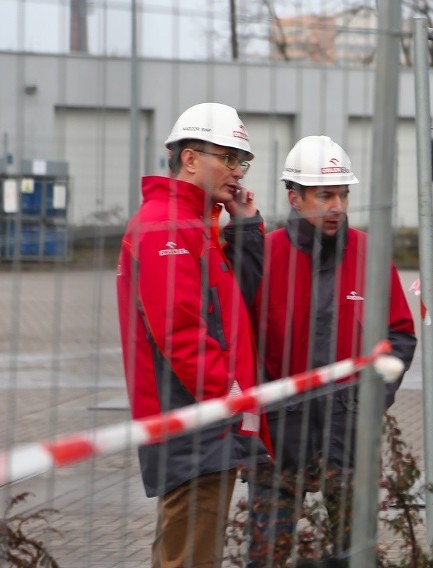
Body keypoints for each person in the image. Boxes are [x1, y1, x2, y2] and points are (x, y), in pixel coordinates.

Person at [248, 135, 417, 563]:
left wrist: (368, 400)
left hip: (349, 439)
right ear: (295, 197)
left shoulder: (371, 257)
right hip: (278, 441)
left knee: (355, 556)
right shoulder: (264, 257)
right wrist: (265, 408)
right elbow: (242, 344)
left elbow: (399, 336)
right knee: (267, 556)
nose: (338, 206)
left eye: (343, 194)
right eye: (325, 195)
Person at [116, 102, 270, 568]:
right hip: (194, 424)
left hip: (203, 422)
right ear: (189, 159)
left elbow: (234, 302)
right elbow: (181, 333)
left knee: (190, 551)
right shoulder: (170, 225)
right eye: (227, 158)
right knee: (189, 557)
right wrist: (230, 397)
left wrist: (244, 226)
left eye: (242, 161)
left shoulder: (196, 223)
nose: (238, 173)